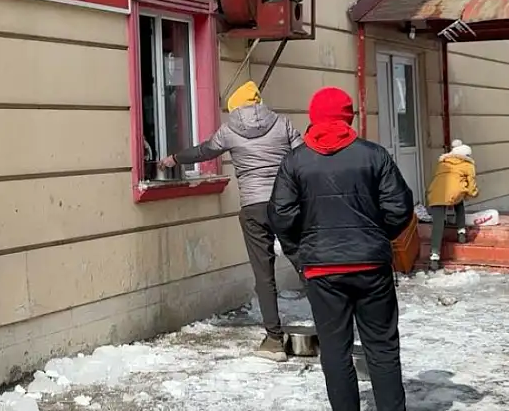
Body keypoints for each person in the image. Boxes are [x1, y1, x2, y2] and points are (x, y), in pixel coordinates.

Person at [269, 86, 413, 411]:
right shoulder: (374, 154)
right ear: (349, 116)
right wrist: (377, 237)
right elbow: (400, 207)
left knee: (334, 350)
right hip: (371, 267)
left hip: (322, 270)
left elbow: (281, 215)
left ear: (313, 117)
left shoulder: (295, 161)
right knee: (383, 348)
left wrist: (301, 252)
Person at [160, 80, 301, 362]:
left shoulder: (229, 130)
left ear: (235, 106)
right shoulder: (283, 124)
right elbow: (303, 155)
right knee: (306, 264)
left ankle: (274, 340)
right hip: (287, 205)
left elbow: (204, 151)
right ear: (258, 101)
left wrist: (174, 159)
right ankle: (333, 327)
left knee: (264, 274)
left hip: (253, 208)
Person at [424, 139, 478, 271]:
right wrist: (472, 193)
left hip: (435, 192)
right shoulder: (468, 165)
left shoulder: (443, 162)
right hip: (453, 192)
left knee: (438, 224)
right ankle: (461, 232)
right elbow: (471, 185)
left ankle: (434, 256)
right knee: (459, 202)